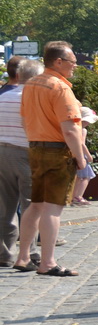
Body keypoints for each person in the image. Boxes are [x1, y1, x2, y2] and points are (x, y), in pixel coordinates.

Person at [17, 42, 91, 277]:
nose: (74, 67)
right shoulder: (60, 88)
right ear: (58, 62)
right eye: (72, 63)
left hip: (35, 147)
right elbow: (70, 129)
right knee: (53, 207)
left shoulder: (31, 84)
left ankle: (23, 256)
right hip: (57, 150)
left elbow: (24, 119)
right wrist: (81, 158)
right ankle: (47, 262)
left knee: (35, 204)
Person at [0, 57, 41, 270]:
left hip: (2, 151)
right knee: (30, 205)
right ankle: (30, 252)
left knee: (5, 206)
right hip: (26, 152)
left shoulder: (3, 97)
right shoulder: (31, 98)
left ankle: (4, 252)